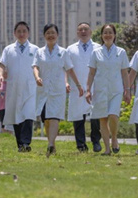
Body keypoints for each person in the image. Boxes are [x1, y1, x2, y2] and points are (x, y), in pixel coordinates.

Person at [33, 24, 83, 157]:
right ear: (44, 35)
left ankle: (50, 145)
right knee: (46, 119)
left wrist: (78, 85)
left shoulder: (63, 52)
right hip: (43, 90)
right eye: (48, 33)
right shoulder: (39, 52)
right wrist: (37, 77)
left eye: (53, 33)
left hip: (58, 90)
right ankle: (52, 143)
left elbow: (70, 69)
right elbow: (35, 66)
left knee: (54, 117)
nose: (51, 35)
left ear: (57, 35)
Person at [86, 24, 130, 156]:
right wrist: (88, 89)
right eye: (105, 32)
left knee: (113, 115)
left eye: (110, 32)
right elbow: (91, 73)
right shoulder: (96, 52)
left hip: (116, 90)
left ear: (114, 35)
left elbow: (124, 73)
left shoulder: (121, 52)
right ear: (101, 36)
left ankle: (114, 138)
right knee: (103, 119)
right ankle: (107, 148)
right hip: (100, 90)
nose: (108, 35)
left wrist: (127, 89)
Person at [0, 21, 39, 152]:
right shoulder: (8, 49)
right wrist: (0, 75)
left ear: (28, 33)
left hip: (30, 87)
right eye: (19, 31)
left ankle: (26, 143)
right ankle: (20, 144)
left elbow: (39, 66)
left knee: (28, 115)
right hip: (14, 87)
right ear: (14, 33)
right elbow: (2, 65)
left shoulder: (35, 49)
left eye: (24, 31)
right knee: (16, 116)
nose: (21, 34)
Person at [67, 22, 102, 152]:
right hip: (77, 86)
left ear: (90, 32)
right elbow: (66, 67)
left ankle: (96, 141)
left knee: (95, 116)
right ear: (77, 33)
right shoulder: (70, 49)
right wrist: (67, 83)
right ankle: (81, 144)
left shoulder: (98, 48)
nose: (83, 32)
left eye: (86, 29)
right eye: (80, 30)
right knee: (78, 117)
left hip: (95, 86)